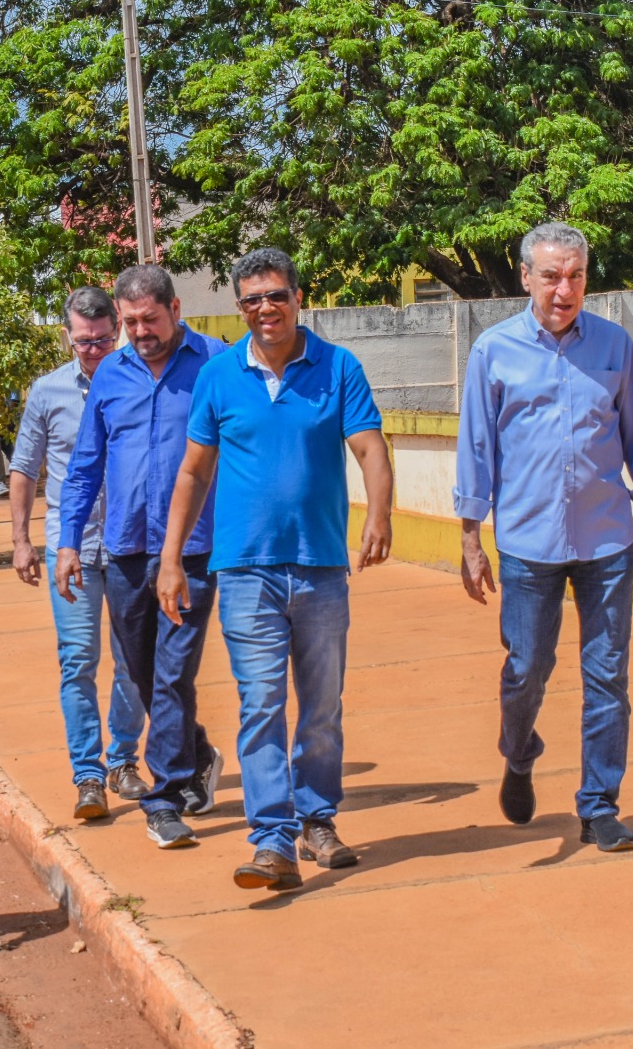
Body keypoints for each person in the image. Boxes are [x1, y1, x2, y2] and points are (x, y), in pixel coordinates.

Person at [158, 248, 394, 891]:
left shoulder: (337, 367)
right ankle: (271, 842)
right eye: (253, 300)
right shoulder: (220, 375)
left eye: (277, 296)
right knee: (260, 704)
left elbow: (370, 446)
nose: (267, 308)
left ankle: (318, 820)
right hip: (244, 573)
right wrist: (172, 559)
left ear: (298, 298)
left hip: (320, 568)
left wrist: (379, 515)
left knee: (321, 707)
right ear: (241, 308)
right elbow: (194, 471)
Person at [454, 221, 633, 853]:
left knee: (608, 675)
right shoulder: (494, 351)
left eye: (575, 275)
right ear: (526, 277)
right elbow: (476, 448)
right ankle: (518, 752)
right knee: (527, 669)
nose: (564, 288)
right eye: (550, 275)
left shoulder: (614, 346)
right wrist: (471, 536)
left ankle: (598, 804)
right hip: (526, 544)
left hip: (606, 539)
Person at [56, 265, 226, 851]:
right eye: (129, 322)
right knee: (146, 674)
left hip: (195, 549)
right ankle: (199, 754)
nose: (139, 332)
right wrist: (69, 541)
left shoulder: (216, 364)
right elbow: (85, 466)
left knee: (174, 673)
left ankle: (164, 798)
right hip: (125, 549)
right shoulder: (110, 376)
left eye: (149, 319)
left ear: (175, 309)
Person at [10, 287, 148, 820]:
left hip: (133, 544)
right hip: (71, 549)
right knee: (77, 661)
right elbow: (25, 466)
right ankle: (88, 775)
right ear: (68, 335)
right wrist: (22, 541)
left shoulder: (139, 381)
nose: (93, 350)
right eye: (84, 341)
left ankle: (124, 761)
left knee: (134, 663)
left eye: (103, 340)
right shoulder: (47, 392)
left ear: (117, 331)